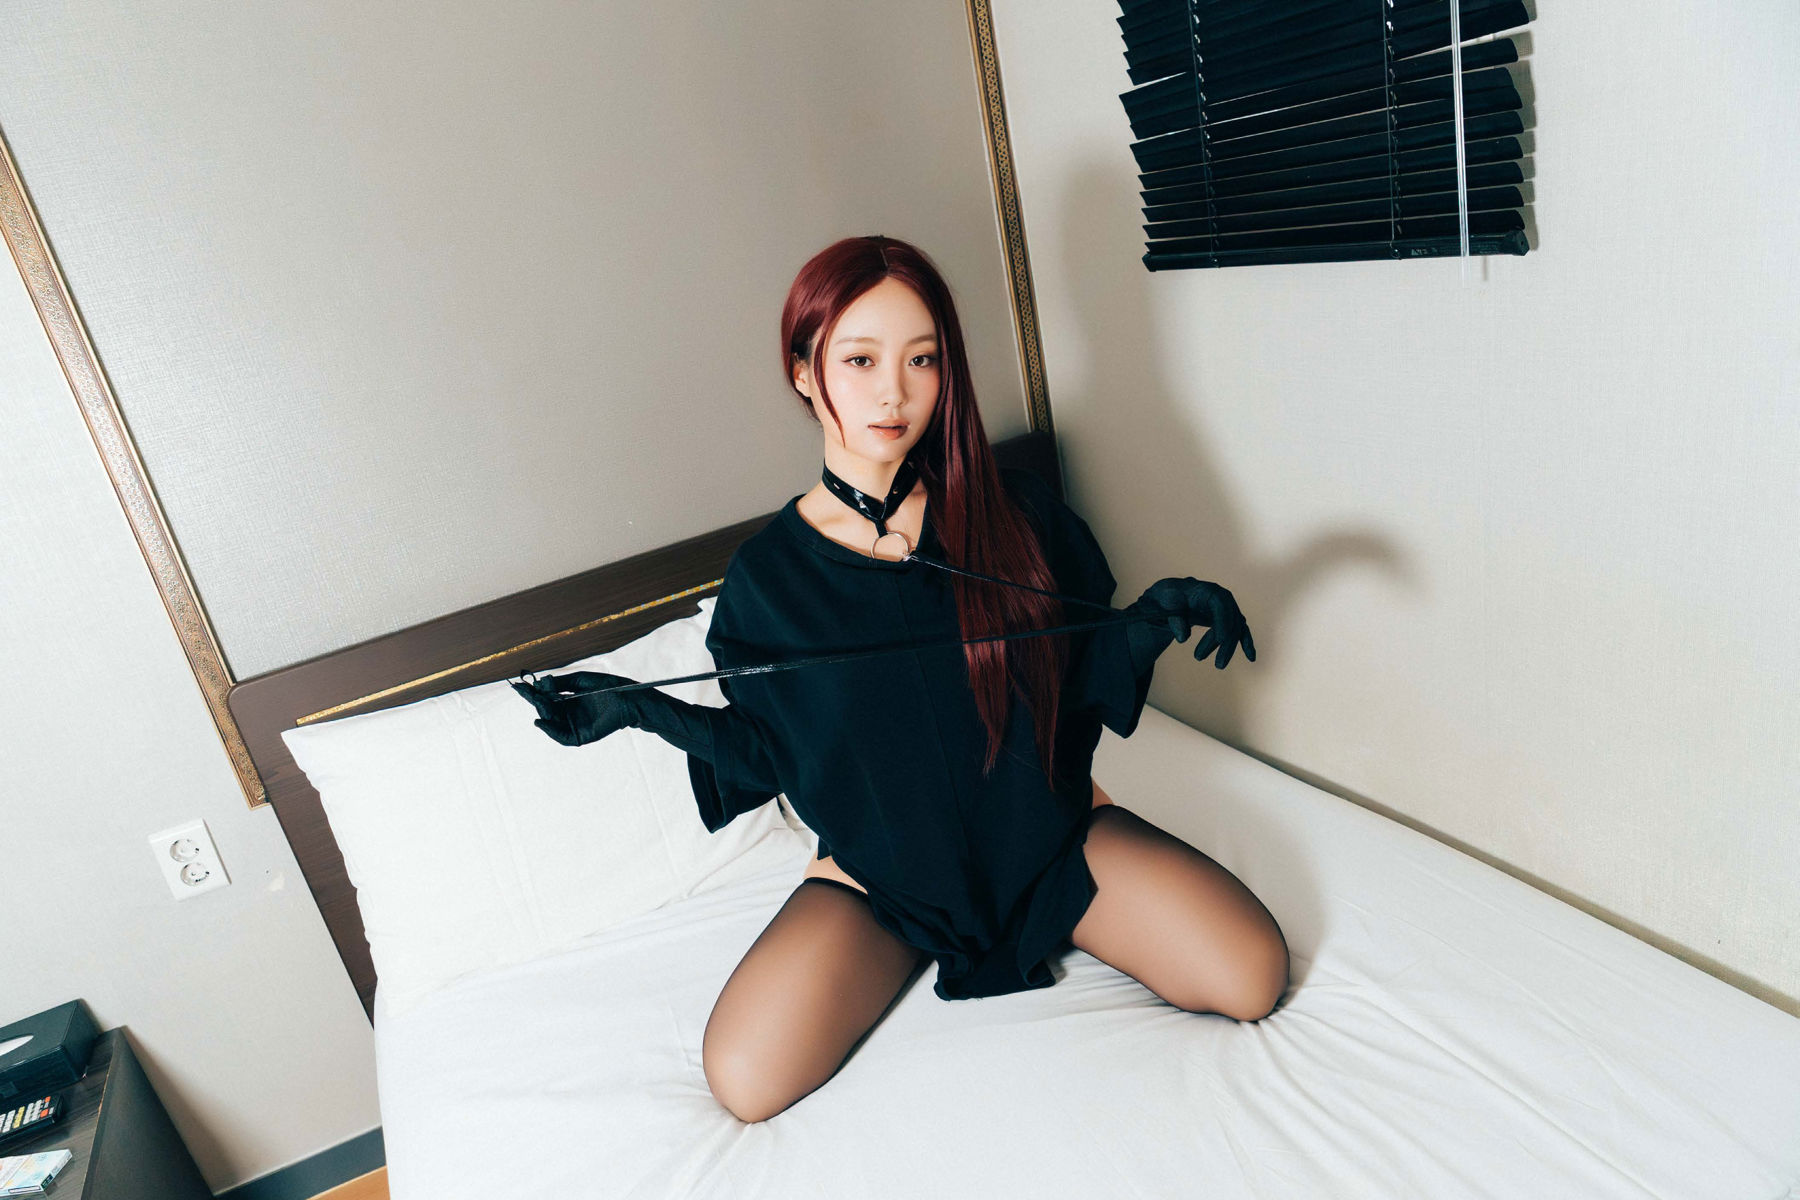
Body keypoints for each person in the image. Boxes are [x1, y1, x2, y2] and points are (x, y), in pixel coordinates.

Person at [513, 235, 1288, 1124]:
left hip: (1047, 840)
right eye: (861, 360)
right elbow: (771, 751)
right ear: (803, 371)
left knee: (1251, 974)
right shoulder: (769, 579)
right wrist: (642, 710)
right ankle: (914, 933)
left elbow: (1077, 672)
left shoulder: (1014, 514)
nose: (894, 391)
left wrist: (1152, 622)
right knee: (745, 1078)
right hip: (881, 879)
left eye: (922, 359)